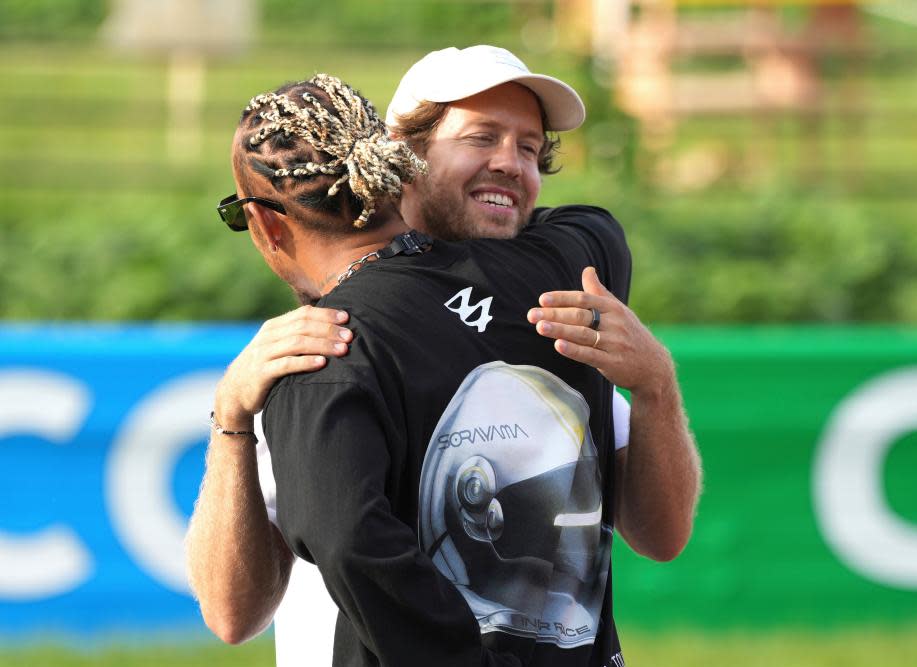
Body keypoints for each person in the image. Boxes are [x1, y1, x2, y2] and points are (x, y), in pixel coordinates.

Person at [185, 46, 701, 667]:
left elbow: (661, 533)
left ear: (268, 225)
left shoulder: (555, 311)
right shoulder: (301, 350)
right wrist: (232, 419)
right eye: (481, 138)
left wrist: (656, 384)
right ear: (399, 158)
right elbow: (237, 609)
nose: (510, 165)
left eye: (532, 149)